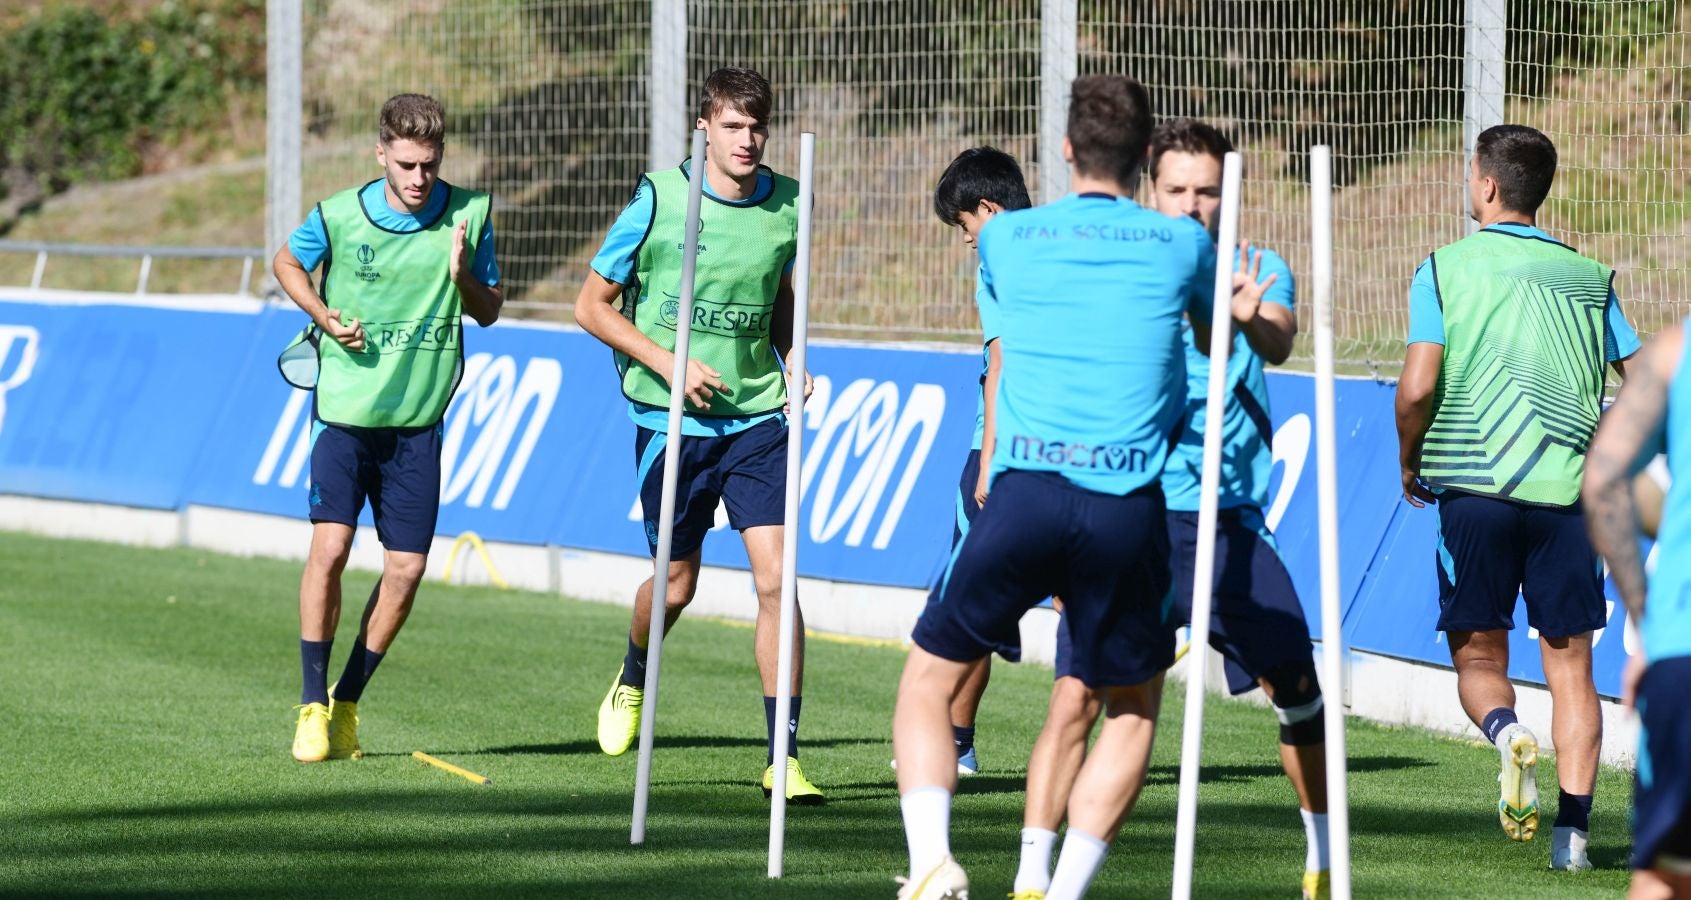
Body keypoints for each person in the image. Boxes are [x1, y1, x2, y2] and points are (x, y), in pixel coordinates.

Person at [891, 74, 1268, 900]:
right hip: (1124, 507)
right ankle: (1063, 891)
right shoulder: (1183, 247)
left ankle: (930, 861)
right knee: (1129, 707)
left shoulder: (1004, 240)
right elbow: (1224, 341)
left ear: (1064, 150)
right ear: (1144, 157)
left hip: (1023, 491)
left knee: (926, 678)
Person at [1011, 117, 1329, 900]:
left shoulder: (1256, 267)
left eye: (1208, 191)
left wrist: (1248, 313)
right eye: (1177, 189)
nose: (1192, 205)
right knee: (1080, 693)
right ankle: (1029, 876)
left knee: (1297, 685)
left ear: (1231, 192)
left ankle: (1324, 855)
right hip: (1132, 512)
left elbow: (1282, 337)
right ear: (1150, 188)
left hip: (1228, 528)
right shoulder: (1124, 271)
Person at [573, 66, 821, 802]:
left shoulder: (789, 204)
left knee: (777, 580)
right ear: (705, 127)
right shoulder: (660, 198)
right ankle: (633, 673)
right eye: (733, 126)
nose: (748, 140)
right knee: (677, 584)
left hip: (755, 420)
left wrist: (794, 353)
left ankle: (784, 753)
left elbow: (781, 293)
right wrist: (667, 360)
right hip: (668, 419)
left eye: (757, 126)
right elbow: (590, 306)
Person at [1395, 123, 1639, 870]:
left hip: (1472, 486)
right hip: (1567, 495)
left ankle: (1506, 733)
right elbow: (1645, 383)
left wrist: (1408, 461)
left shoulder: (1444, 267)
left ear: (1487, 185)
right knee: (1571, 669)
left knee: (1477, 657)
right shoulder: (1590, 276)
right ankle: (1571, 841)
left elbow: (1416, 387)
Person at [272, 93, 503, 763]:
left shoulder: (470, 214)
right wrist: (321, 314)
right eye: (405, 164)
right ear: (381, 154)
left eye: (428, 165)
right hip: (344, 414)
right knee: (331, 549)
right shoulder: (339, 215)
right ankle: (311, 706)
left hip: (418, 424)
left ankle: (347, 702)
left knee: (404, 570)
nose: (417, 179)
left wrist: (463, 277)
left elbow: (488, 310)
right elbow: (286, 261)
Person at [926, 145, 1033, 776]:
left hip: (1001, 449)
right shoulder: (1063, 248)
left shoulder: (1000, 258)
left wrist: (990, 456)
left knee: (963, 603)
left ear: (987, 209)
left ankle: (952, 744)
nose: (969, 242)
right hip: (1071, 449)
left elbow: (1001, 363)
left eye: (966, 226)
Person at [1583, 321, 1691, 899]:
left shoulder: (1677, 350)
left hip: (1683, 649)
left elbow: (1602, 479)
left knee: (1665, 874)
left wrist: (1650, 623)